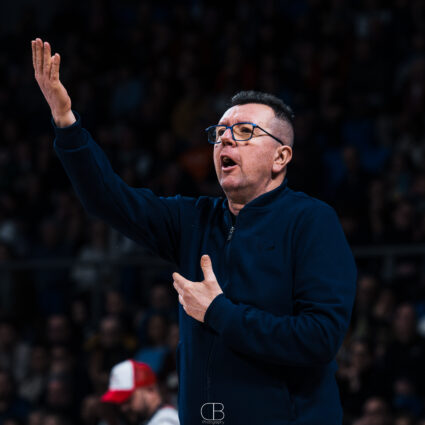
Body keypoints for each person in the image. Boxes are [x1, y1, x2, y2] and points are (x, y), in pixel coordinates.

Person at [31, 37, 357, 425]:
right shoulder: (194, 219)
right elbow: (107, 199)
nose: (225, 139)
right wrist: (66, 121)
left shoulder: (312, 221)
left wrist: (219, 313)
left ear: (281, 156)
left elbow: (319, 339)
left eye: (244, 131)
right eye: (219, 132)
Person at [101, 360, 179, 425]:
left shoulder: (165, 421)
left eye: (128, 399)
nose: (123, 408)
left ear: (150, 390)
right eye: (119, 403)